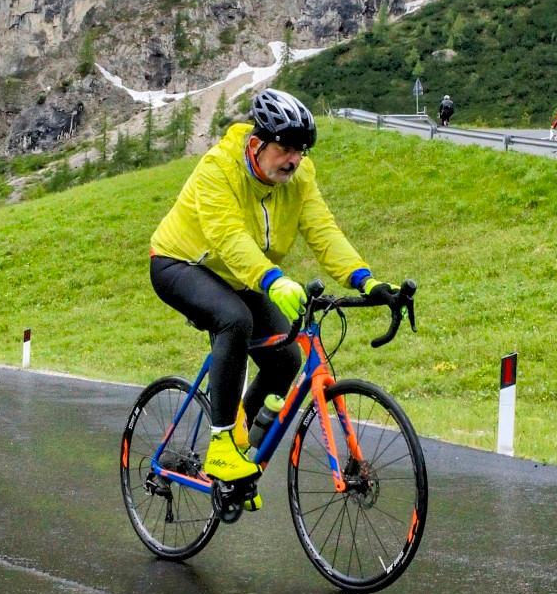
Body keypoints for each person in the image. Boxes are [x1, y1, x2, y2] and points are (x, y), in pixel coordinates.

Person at [149, 88, 398, 485]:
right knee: (234, 319)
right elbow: (228, 236)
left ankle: (237, 456)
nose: (294, 159)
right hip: (180, 263)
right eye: (285, 148)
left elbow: (322, 230)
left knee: (286, 358)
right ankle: (220, 447)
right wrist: (272, 279)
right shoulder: (218, 167)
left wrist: (364, 279)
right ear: (256, 144)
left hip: (241, 275)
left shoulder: (300, 178)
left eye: (301, 150)